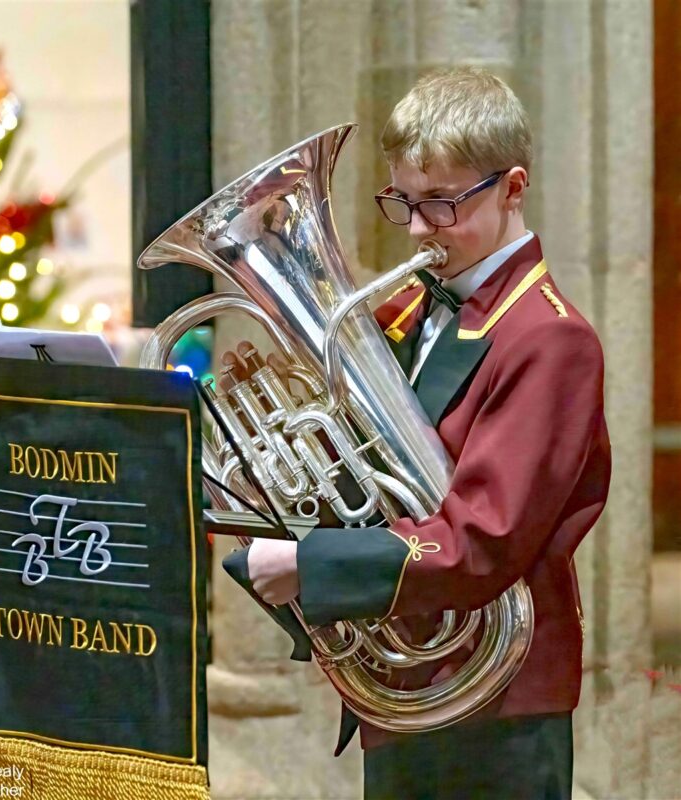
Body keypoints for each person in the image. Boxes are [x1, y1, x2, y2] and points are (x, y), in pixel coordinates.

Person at [223, 67, 611, 799]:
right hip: (408, 682)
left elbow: (484, 538)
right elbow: (369, 478)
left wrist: (313, 564)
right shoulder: (405, 311)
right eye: (403, 202)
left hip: (495, 710)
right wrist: (272, 473)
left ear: (513, 187)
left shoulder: (548, 340)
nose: (421, 229)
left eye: (442, 204)